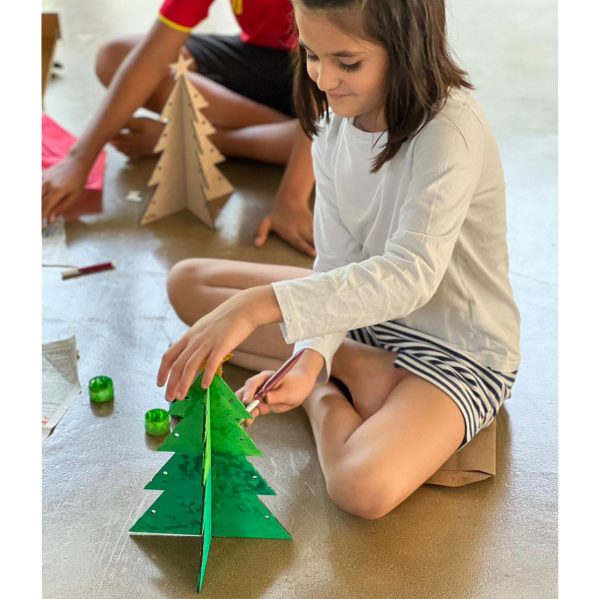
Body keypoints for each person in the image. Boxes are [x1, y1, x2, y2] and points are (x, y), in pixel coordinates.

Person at [157, 0, 521, 520]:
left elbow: (410, 275)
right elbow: (336, 261)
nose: (324, 79)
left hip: (455, 347)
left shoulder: (450, 128)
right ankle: (347, 366)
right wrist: (311, 358)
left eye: (347, 63)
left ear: (407, 49)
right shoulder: (332, 123)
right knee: (189, 282)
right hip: (362, 315)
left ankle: (324, 397)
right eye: (310, 54)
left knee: (360, 489)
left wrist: (266, 319)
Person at [41, 0, 316, 257]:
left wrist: (292, 199)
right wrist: (79, 159)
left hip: (322, 72)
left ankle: (214, 139)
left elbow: (333, 71)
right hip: (266, 60)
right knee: (115, 56)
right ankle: (295, 138)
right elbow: (154, 53)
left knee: (339, 120)